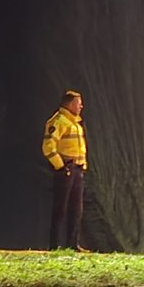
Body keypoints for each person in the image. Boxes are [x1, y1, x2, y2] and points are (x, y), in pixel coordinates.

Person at [41, 90, 88, 250]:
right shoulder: (58, 121)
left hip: (78, 170)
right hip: (66, 169)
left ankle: (72, 244)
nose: (81, 106)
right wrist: (60, 166)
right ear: (69, 104)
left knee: (76, 209)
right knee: (60, 208)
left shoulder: (75, 123)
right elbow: (48, 147)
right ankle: (55, 245)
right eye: (78, 103)